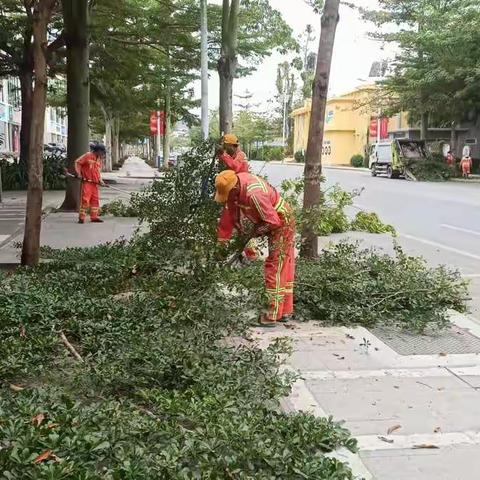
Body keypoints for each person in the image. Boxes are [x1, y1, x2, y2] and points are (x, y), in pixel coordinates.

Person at [215, 170, 295, 327]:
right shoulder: (236, 184)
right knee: (282, 264)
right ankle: (284, 310)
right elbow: (232, 215)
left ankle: (272, 314)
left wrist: (256, 231)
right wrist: (236, 241)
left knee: (275, 265)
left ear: (234, 189)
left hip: (282, 222)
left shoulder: (254, 194)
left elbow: (273, 222)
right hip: (271, 220)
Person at [217, 133, 257, 259]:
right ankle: (221, 251)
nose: (225, 149)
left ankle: (251, 254)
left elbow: (235, 167)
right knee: (227, 221)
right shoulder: (231, 155)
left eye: (226, 146)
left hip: (241, 194)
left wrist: (222, 155)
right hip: (233, 193)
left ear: (232, 146)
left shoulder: (240, 156)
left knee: (241, 223)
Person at [75, 143, 106, 224]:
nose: (103, 154)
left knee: (95, 200)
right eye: (102, 152)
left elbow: (97, 171)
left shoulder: (99, 159)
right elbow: (77, 162)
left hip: (95, 184)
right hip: (87, 182)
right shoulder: (87, 155)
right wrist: (79, 174)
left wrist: (100, 180)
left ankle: (94, 217)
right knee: (85, 200)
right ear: (98, 151)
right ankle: (81, 218)